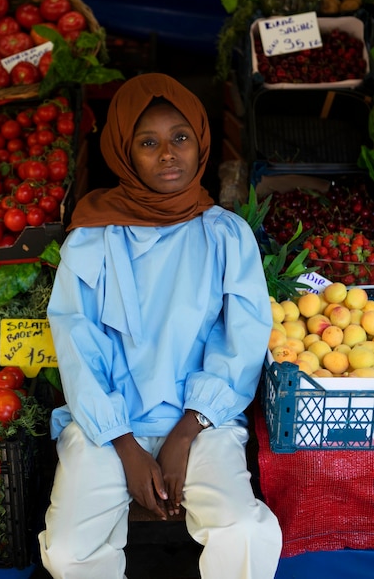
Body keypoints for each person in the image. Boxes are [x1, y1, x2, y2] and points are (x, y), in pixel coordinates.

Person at [38, 72, 282, 579]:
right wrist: (127, 449)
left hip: (202, 423)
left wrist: (183, 436)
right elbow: (78, 344)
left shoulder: (226, 234)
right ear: (123, 152)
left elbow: (241, 341)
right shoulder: (92, 239)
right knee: (66, 551)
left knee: (243, 531)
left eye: (180, 138)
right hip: (108, 427)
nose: (168, 154)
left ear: (201, 143)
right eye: (147, 143)